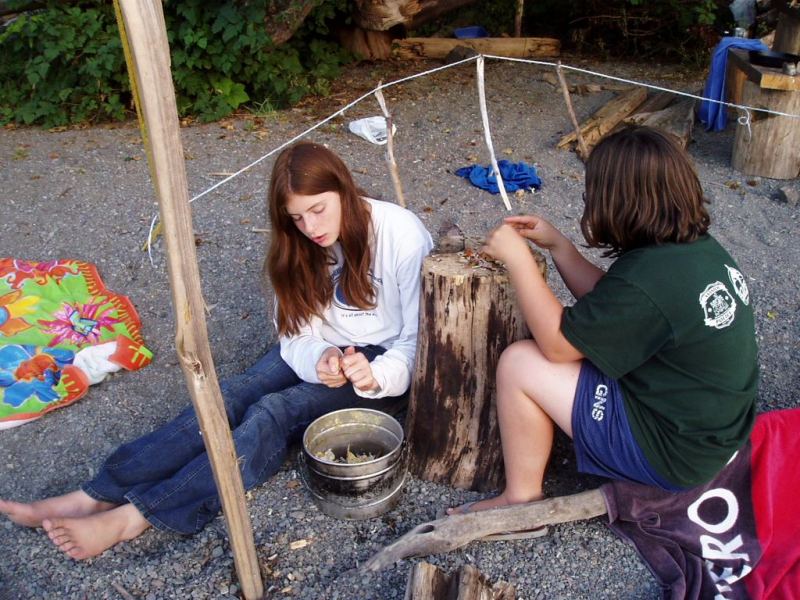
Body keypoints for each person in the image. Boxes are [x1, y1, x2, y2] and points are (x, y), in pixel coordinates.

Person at [0, 142, 433, 559]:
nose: (312, 228)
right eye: (297, 218)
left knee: (273, 412)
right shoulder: (297, 243)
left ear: (343, 189)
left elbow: (421, 341)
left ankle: (139, 515)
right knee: (229, 395)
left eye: (318, 209)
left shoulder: (399, 233)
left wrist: (373, 375)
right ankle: (97, 493)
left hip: (385, 362)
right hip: (324, 348)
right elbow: (295, 333)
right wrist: (318, 358)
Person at [448, 126, 758, 516]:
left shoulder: (652, 278)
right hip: (710, 434)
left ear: (618, 201)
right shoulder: (689, 249)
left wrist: (519, 261)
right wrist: (559, 246)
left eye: (592, 192)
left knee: (520, 362)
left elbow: (558, 346)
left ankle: (521, 499)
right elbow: (615, 305)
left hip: (672, 454)